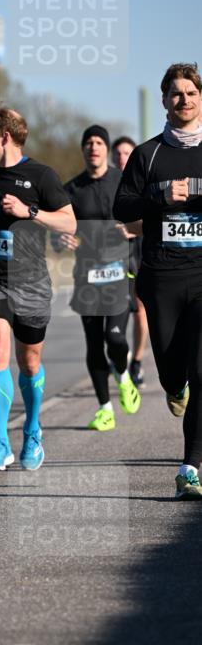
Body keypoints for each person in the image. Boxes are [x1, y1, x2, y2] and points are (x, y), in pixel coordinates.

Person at [0, 104, 76, 471]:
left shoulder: (42, 175)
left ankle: (32, 429)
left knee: (29, 362)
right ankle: (0, 442)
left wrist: (29, 212)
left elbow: (69, 224)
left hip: (31, 283)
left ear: (5, 136)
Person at [114, 62, 202, 500]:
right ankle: (174, 384)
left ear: (200, 98)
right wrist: (160, 195)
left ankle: (191, 465)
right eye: (175, 93)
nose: (183, 100)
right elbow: (122, 208)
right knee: (173, 368)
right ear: (165, 100)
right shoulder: (147, 155)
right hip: (161, 276)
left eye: (190, 92)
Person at [59, 126, 140, 431]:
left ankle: (123, 375)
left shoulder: (122, 181)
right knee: (94, 345)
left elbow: (143, 218)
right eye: (88, 143)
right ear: (83, 150)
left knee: (115, 338)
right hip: (88, 278)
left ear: (105, 148)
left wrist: (132, 228)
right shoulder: (71, 190)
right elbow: (60, 230)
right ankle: (105, 409)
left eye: (98, 142)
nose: (93, 147)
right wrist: (62, 241)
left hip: (120, 271)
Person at [112, 135, 149, 387]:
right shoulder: (109, 182)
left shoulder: (144, 180)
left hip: (140, 252)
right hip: (112, 258)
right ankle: (120, 356)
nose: (122, 158)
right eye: (118, 154)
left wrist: (135, 228)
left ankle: (136, 361)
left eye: (127, 153)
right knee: (113, 313)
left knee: (140, 312)